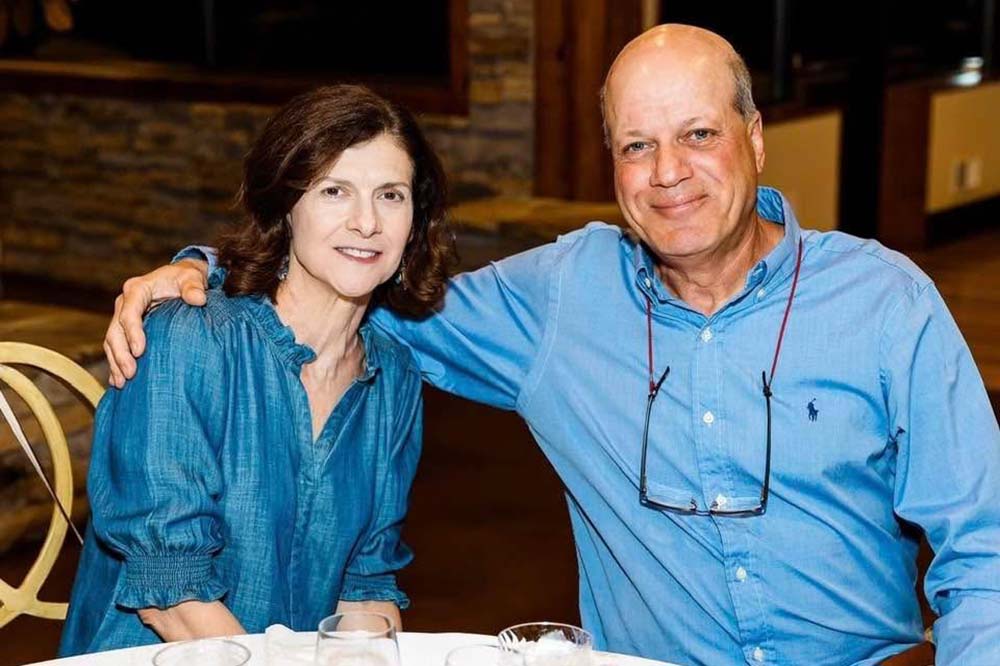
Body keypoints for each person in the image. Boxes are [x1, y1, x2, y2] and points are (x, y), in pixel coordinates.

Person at [102, 25, 1000, 665]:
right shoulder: (566, 296)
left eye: (699, 135)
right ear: (611, 163)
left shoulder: (883, 300)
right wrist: (200, 271)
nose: (669, 173)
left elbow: (986, 549)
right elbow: (352, 282)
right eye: (637, 145)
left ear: (756, 139)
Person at [60, 84, 456, 655]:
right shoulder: (189, 340)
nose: (367, 222)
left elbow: (365, 584)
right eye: (334, 191)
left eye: (391, 195)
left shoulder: (392, 377)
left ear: (415, 220)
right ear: (285, 207)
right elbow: (172, 596)